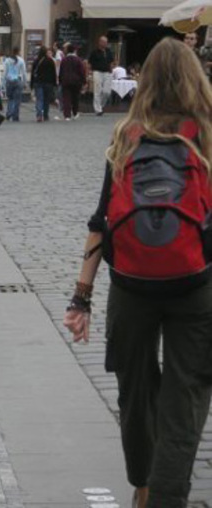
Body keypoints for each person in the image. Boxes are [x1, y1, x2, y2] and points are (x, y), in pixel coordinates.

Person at [63, 37, 212, 508]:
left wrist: (81, 300)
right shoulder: (207, 134)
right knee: (184, 398)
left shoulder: (128, 134)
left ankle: (143, 489)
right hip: (197, 284)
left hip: (130, 285)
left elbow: (101, 220)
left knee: (135, 389)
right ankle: (170, 499)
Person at [88, 35, 115, 116]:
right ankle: (98, 109)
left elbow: (112, 62)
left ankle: (101, 105)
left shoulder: (108, 51)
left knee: (107, 92)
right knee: (97, 90)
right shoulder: (94, 52)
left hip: (107, 72)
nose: (105, 43)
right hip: (97, 72)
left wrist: (112, 68)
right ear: (100, 42)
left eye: (106, 42)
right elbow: (89, 63)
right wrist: (89, 72)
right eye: (103, 42)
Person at [59, 44, 85, 121]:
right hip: (76, 81)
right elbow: (82, 71)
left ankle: (67, 115)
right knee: (75, 98)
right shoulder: (78, 60)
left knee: (66, 98)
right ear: (74, 50)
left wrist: (60, 80)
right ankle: (75, 112)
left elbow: (61, 71)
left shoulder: (64, 60)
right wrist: (84, 81)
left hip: (66, 81)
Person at [31, 46, 56, 122]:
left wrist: (31, 84)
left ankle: (39, 115)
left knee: (39, 99)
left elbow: (33, 73)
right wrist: (54, 83)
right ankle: (45, 115)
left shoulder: (36, 61)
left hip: (38, 82)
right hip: (48, 83)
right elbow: (53, 73)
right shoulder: (50, 61)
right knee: (46, 100)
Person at [3, 46, 27, 122]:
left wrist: (3, 83)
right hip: (18, 80)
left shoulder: (7, 60)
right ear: (18, 51)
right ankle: (15, 116)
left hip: (9, 81)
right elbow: (24, 73)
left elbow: (5, 72)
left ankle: (9, 113)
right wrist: (25, 83)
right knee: (17, 100)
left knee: (10, 99)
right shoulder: (21, 60)